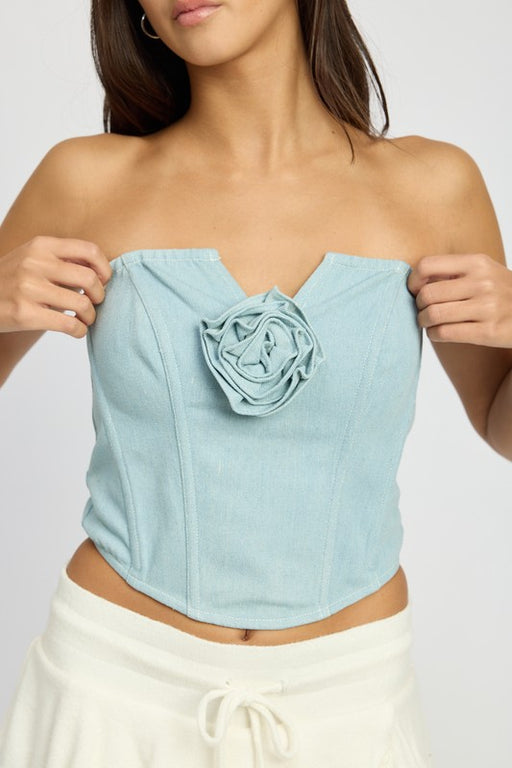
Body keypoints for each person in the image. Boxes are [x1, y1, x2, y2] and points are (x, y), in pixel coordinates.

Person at [0, 0, 511, 766]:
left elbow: (500, 420)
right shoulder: (84, 180)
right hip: (112, 692)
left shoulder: (435, 186)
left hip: (350, 706)